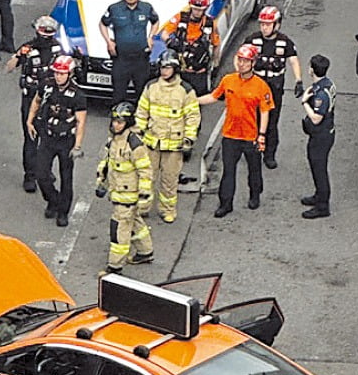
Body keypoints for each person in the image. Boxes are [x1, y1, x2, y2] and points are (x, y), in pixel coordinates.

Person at [197, 43, 273, 217]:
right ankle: (226, 203)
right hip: (230, 135)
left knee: (254, 170)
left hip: (250, 137)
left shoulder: (261, 86)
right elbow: (214, 96)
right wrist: (193, 100)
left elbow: (265, 111)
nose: (242, 64)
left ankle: (255, 194)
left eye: (246, 61)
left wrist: (261, 135)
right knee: (228, 171)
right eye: (240, 60)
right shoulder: (228, 80)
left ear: (253, 63)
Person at [135, 48, 200, 223]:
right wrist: (138, 132)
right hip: (152, 143)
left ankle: (167, 210)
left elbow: (193, 117)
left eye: (168, 68)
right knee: (146, 178)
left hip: (174, 146)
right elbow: (142, 112)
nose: (164, 71)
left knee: (169, 181)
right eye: (162, 67)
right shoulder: (151, 87)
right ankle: (142, 208)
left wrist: (189, 139)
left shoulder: (185, 91)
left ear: (175, 69)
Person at [26, 55, 87, 227]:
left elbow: (81, 121)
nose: (58, 76)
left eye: (62, 73)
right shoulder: (46, 86)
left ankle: (63, 211)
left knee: (66, 178)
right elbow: (36, 101)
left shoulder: (77, 95)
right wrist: (30, 120)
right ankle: (53, 200)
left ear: (70, 74)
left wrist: (77, 145)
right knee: (41, 173)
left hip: (66, 140)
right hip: (48, 136)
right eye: (57, 73)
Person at [5, 15, 63, 192]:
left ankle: (44, 170)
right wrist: (18, 55)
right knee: (31, 138)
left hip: (51, 100)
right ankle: (30, 175)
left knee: (49, 138)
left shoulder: (57, 48)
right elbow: (8, 67)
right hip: (31, 99)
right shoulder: (29, 49)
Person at [96, 102, 153, 273]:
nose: (116, 124)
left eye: (120, 122)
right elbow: (107, 164)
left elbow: (145, 171)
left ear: (128, 123)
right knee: (135, 222)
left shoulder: (134, 144)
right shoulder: (113, 140)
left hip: (128, 196)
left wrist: (144, 196)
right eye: (114, 121)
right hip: (119, 193)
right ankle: (145, 252)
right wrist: (101, 182)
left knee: (119, 230)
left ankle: (115, 266)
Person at [244, 5, 303, 169]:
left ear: (277, 24)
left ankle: (269, 154)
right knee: (252, 119)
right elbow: (240, 57)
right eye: (262, 24)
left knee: (271, 122)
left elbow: (293, 60)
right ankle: (252, 149)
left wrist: (299, 80)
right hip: (254, 87)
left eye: (268, 24)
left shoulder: (284, 42)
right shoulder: (252, 40)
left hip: (273, 89)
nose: (264, 27)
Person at [99, 0, 160, 104]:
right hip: (121, 58)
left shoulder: (147, 8)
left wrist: (151, 37)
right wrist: (108, 41)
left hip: (141, 58)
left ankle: (140, 119)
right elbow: (102, 24)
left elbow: (155, 22)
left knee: (142, 93)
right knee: (118, 93)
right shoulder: (114, 8)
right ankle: (118, 118)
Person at [160, 0, 219, 96]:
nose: (197, 12)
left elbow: (216, 45)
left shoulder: (210, 23)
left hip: (198, 71)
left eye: (200, 10)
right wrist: (170, 41)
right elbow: (164, 33)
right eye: (195, 9)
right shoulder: (180, 17)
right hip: (181, 70)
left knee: (197, 100)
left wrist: (215, 65)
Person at [300, 53, 335, 219]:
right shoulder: (327, 84)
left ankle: (323, 206)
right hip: (324, 134)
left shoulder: (321, 94)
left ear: (312, 70)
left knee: (319, 170)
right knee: (317, 167)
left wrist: (305, 102)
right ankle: (318, 196)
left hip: (321, 136)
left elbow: (316, 118)